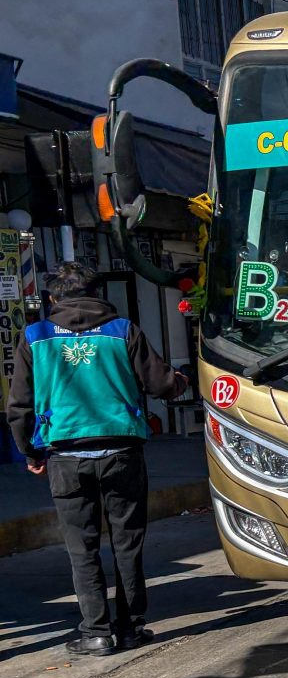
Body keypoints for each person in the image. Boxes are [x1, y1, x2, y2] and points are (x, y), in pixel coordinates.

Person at [6, 263, 189, 656]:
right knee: (128, 542)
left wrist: (30, 453)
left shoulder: (35, 337)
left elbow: (19, 405)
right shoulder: (123, 331)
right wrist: (182, 381)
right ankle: (130, 628)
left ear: (53, 298)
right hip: (122, 452)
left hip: (65, 457)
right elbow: (160, 384)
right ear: (96, 293)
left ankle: (95, 633)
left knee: (81, 547)